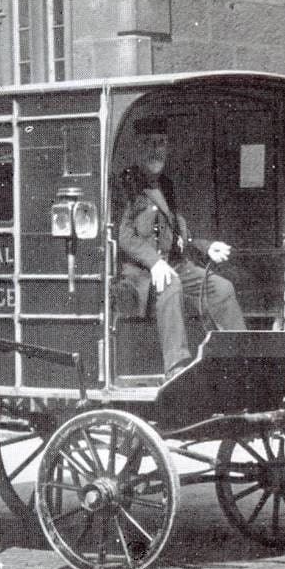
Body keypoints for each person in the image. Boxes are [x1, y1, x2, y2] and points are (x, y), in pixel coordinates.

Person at [117, 117, 246, 381]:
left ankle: (241, 357)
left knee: (222, 288)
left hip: (173, 265)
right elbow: (124, 236)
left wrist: (207, 247)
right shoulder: (125, 185)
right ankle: (176, 367)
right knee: (171, 283)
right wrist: (154, 262)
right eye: (149, 143)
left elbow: (178, 236)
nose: (156, 150)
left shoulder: (166, 185)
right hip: (139, 273)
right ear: (137, 148)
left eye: (161, 143)